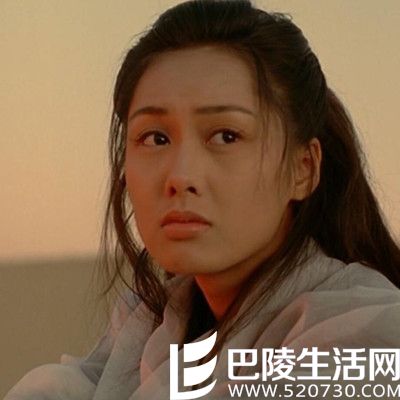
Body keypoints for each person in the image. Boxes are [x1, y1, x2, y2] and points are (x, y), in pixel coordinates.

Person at [5, 0, 400, 399]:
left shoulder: (368, 339)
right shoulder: (143, 328)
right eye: (156, 138)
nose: (181, 176)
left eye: (226, 136)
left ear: (303, 169)